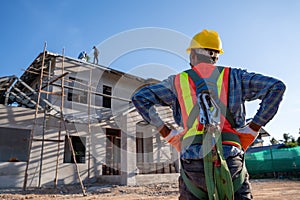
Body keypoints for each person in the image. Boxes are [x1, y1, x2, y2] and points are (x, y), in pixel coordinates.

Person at [131, 29, 286, 199]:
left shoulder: (176, 82)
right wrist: (254, 127)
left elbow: (140, 98)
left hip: (192, 159)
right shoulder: (234, 76)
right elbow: (276, 87)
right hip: (230, 156)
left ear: (194, 55)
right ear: (215, 56)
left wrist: (167, 133)